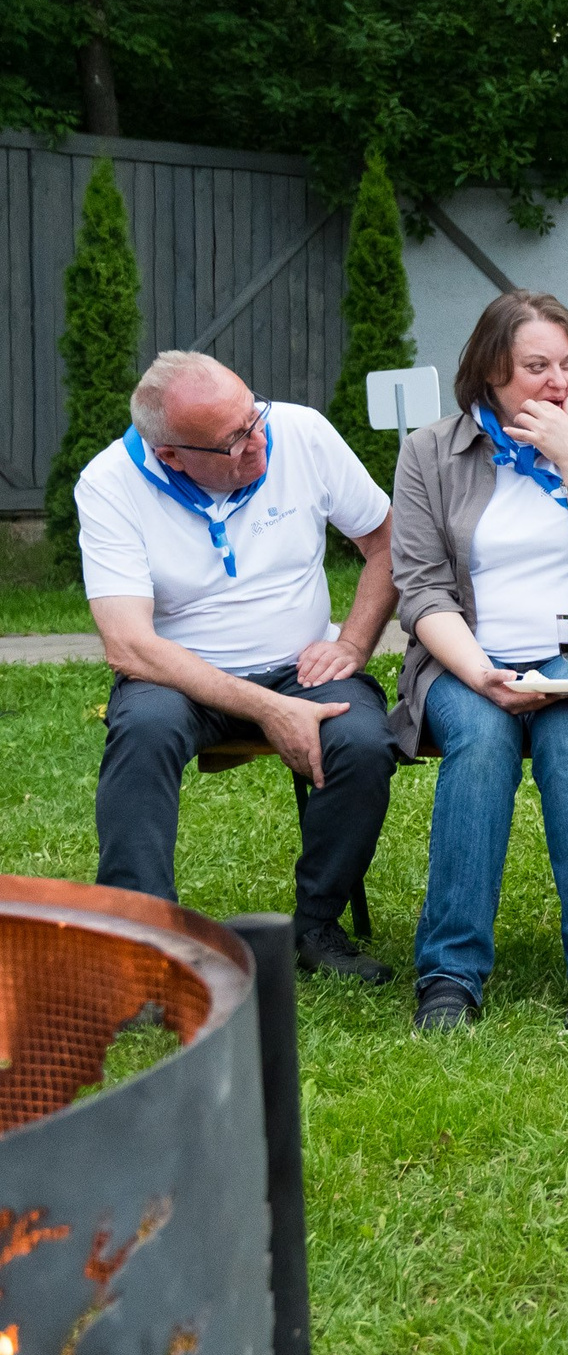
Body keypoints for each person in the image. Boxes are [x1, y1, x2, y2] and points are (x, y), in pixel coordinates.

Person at [77, 350, 399, 981]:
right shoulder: (109, 482)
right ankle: (141, 944)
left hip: (301, 664)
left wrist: (354, 645)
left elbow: (387, 542)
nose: (258, 442)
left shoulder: (301, 432)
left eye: (255, 418)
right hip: (180, 675)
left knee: (363, 741)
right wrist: (270, 709)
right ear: (172, 456)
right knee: (143, 732)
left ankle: (317, 927)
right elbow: (129, 645)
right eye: (234, 440)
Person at [388, 292, 568, 1034]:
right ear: (491, 371)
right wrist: (480, 673)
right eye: (536, 366)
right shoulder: (430, 452)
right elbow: (421, 589)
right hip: (465, 658)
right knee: (479, 741)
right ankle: (449, 974)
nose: (558, 382)